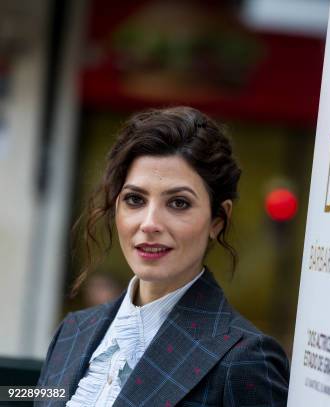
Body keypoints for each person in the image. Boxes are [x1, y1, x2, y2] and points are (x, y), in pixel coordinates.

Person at [35, 107, 290, 406]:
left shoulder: (244, 360)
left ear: (217, 220)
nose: (150, 223)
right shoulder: (74, 331)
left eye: (179, 203)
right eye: (135, 199)